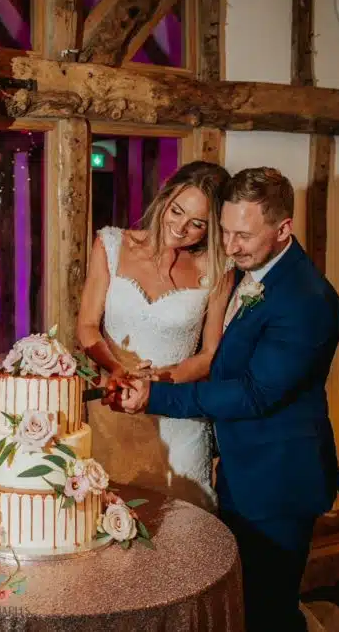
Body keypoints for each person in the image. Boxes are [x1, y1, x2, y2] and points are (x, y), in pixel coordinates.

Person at [107, 167, 339, 632]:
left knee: (269, 611)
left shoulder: (306, 299)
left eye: (244, 236)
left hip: (278, 481)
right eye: (225, 231)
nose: (231, 247)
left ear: (283, 229)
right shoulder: (251, 273)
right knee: (239, 606)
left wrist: (157, 394)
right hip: (240, 468)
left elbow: (253, 393)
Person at [77, 160, 233, 510]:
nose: (181, 227)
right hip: (114, 410)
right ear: (165, 196)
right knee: (113, 519)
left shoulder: (217, 269)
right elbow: (87, 325)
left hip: (178, 417)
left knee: (185, 522)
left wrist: (159, 381)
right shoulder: (111, 245)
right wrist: (117, 369)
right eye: (177, 211)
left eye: (197, 224)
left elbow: (210, 355)